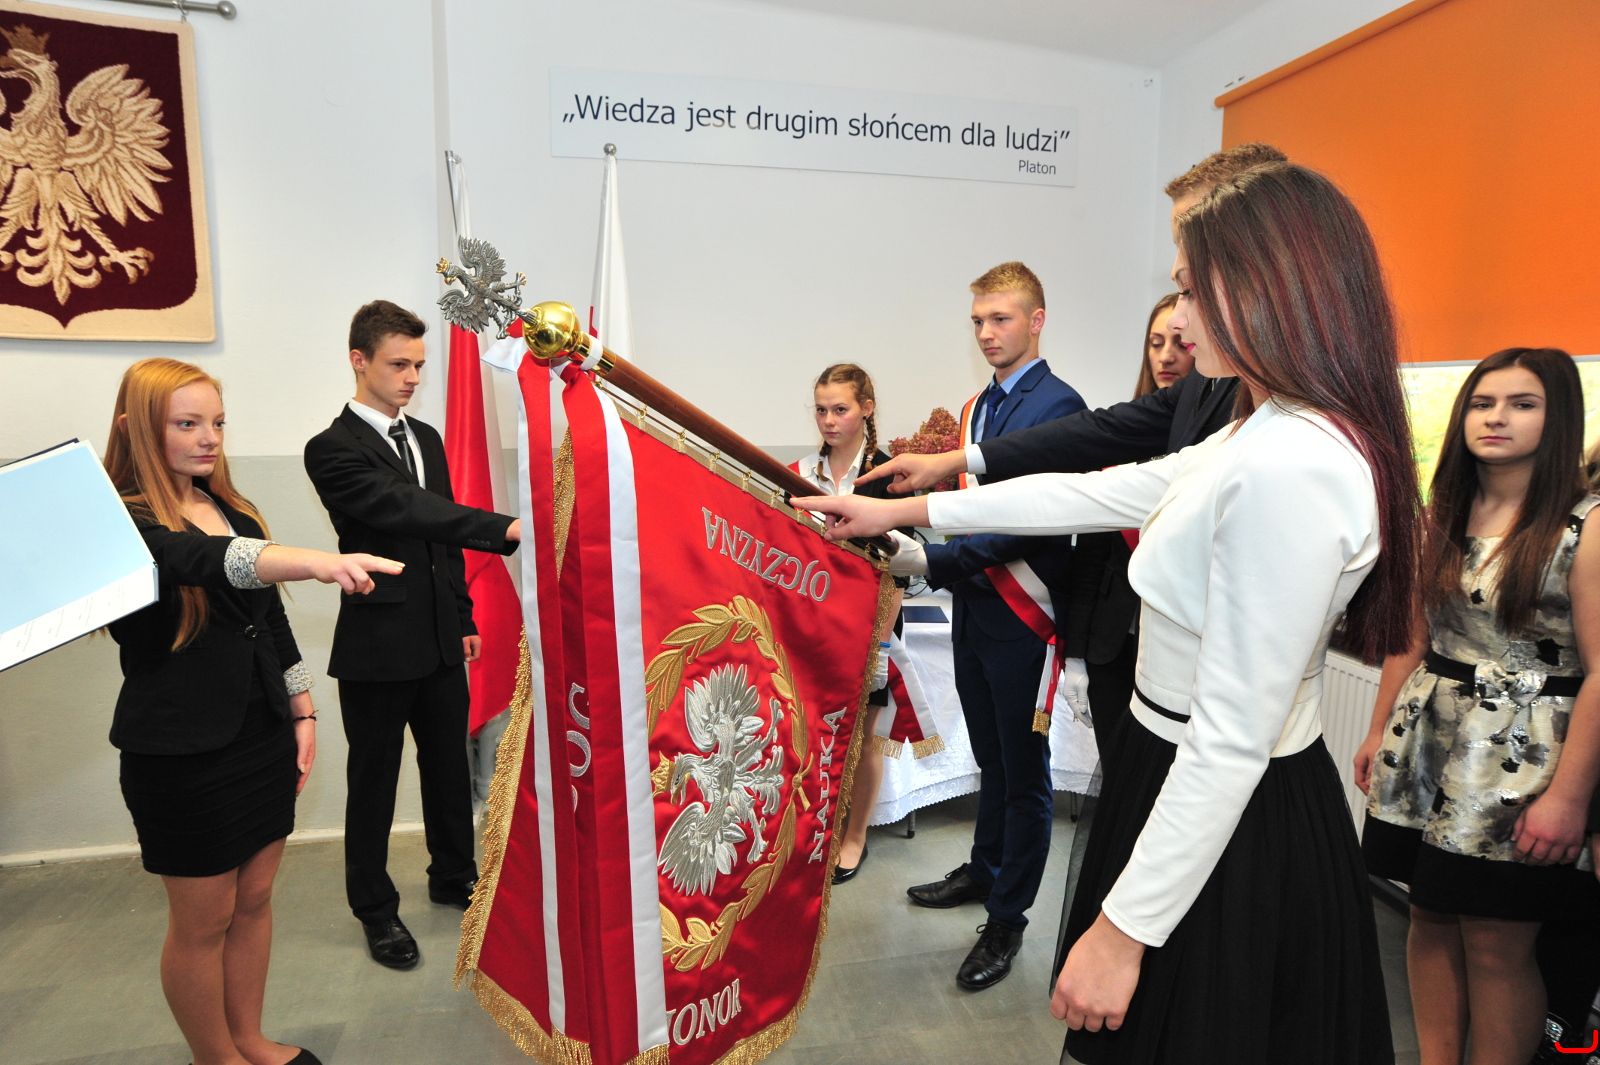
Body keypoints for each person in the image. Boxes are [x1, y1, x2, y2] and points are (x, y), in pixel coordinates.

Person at [800, 161, 1409, 1063]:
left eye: (1192, 290)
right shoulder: (1268, 426)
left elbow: (1231, 739)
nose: (1181, 321)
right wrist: (907, 508)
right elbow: (1097, 489)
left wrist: (1124, 931)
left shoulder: (1296, 464)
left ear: (1266, 287)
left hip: (1225, 809)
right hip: (1170, 771)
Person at [105, 358, 401, 1065]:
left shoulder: (231, 508)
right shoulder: (125, 520)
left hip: (259, 733)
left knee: (255, 898)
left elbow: (266, 619)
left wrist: (301, 708)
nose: (209, 437)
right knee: (202, 921)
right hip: (180, 751)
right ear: (136, 427)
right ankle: (216, 1056)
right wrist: (315, 561)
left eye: (217, 422)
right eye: (187, 423)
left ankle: (247, 1038)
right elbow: (204, 560)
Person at [1356, 348, 1600, 1065]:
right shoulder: (1443, 514)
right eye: (1483, 402)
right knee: (1429, 915)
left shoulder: (1584, 527)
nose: (1496, 417)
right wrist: (1378, 731)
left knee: (1497, 941)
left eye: (1522, 404)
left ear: (1559, 418)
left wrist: (1569, 799)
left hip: (1527, 757)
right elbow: (1411, 635)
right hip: (1431, 739)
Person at [854, 143, 1288, 498]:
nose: (1176, 320)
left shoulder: (1295, 416)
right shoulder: (1208, 382)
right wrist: (954, 464)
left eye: (1189, 288)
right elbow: (1101, 435)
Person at [303, 300, 521, 970]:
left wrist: (463, 615)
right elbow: (407, 508)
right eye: (399, 364)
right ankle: (375, 909)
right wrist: (504, 527)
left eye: (420, 366)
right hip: (376, 643)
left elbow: (440, 540)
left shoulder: (425, 438)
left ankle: (453, 876)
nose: (412, 378)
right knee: (374, 780)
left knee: (449, 767)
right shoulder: (331, 449)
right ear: (358, 360)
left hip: (438, 637)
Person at [886, 262, 1086, 992]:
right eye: (978, 320)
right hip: (975, 608)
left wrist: (931, 560)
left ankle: (1008, 918)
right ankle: (985, 869)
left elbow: (1030, 520)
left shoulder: (1060, 404)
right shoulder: (979, 408)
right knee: (992, 760)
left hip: (1023, 615)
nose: (987, 332)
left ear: (1037, 320)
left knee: (1025, 773)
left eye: (1000, 318)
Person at [788, 363, 907, 883]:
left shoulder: (889, 476)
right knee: (810, 728)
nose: (829, 420)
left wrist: (880, 646)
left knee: (864, 737)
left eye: (840, 409)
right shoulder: (800, 474)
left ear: (867, 409)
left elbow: (900, 569)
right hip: (812, 622)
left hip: (872, 623)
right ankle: (811, 828)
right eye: (821, 410)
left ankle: (854, 837)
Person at [1062, 293, 1187, 743]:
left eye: (1179, 342)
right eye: (1155, 343)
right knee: (1117, 772)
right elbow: (1090, 558)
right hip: (1112, 645)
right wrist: (1075, 654)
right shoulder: (1120, 435)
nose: (1166, 356)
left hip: (1178, 649)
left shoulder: (1214, 441)